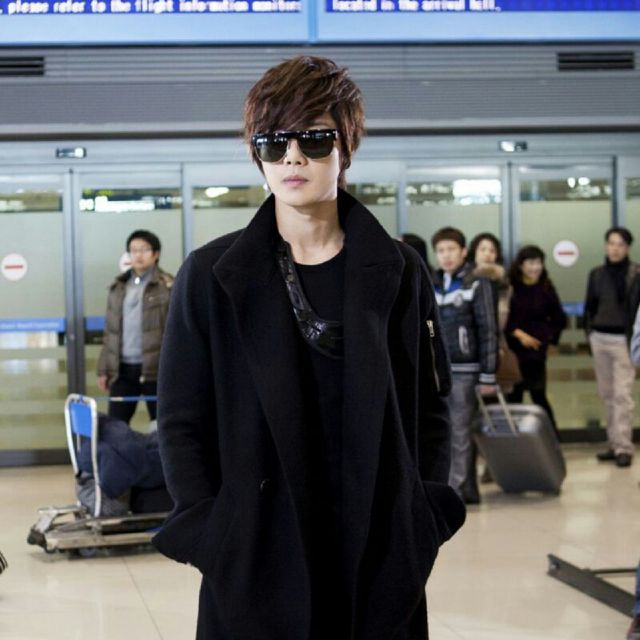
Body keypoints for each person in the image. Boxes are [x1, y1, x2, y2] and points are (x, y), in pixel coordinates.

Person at [152, 56, 465, 640]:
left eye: (314, 139)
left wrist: (422, 516)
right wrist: (210, 531)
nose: (293, 157)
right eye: (273, 143)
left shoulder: (398, 269)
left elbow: (431, 408)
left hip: (377, 548)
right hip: (254, 554)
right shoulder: (211, 275)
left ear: (346, 148)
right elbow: (179, 419)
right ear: (258, 156)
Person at [431, 226, 498, 505]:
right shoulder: (434, 283)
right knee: (446, 433)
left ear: (463, 252)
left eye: (451, 249)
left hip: (466, 371)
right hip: (439, 372)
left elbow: (488, 330)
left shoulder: (477, 283)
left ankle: (455, 493)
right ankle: (465, 489)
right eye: (441, 251)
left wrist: (488, 374)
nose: (446, 256)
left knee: (460, 433)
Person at [96, 230, 174, 424]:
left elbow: (176, 331)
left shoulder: (167, 286)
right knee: (116, 426)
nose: (138, 255)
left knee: (163, 426)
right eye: (134, 250)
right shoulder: (118, 287)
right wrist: (103, 369)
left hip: (157, 369)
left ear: (155, 254)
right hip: (122, 370)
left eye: (144, 250)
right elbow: (110, 332)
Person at [584, 227, 640, 468]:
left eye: (620, 244)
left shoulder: (635, 273)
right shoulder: (596, 274)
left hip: (623, 341)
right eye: (611, 243)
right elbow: (589, 306)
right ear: (606, 245)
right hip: (600, 338)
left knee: (622, 395)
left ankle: (624, 447)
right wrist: (589, 333)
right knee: (607, 394)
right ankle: (613, 443)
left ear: (627, 248)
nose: (615, 249)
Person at [505, 245, 566, 437]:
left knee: (538, 395)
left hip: (536, 352)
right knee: (514, 397)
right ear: (521, 265)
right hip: (514, 350)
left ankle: (552, 437)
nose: (535, 267)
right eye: (530, 263)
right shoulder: (511, 287)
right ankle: (514, 439)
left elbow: (559, 319)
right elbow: (504, 318)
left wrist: (547, 339)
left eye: (538, 263)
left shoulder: (546, 287)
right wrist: (519, 335)